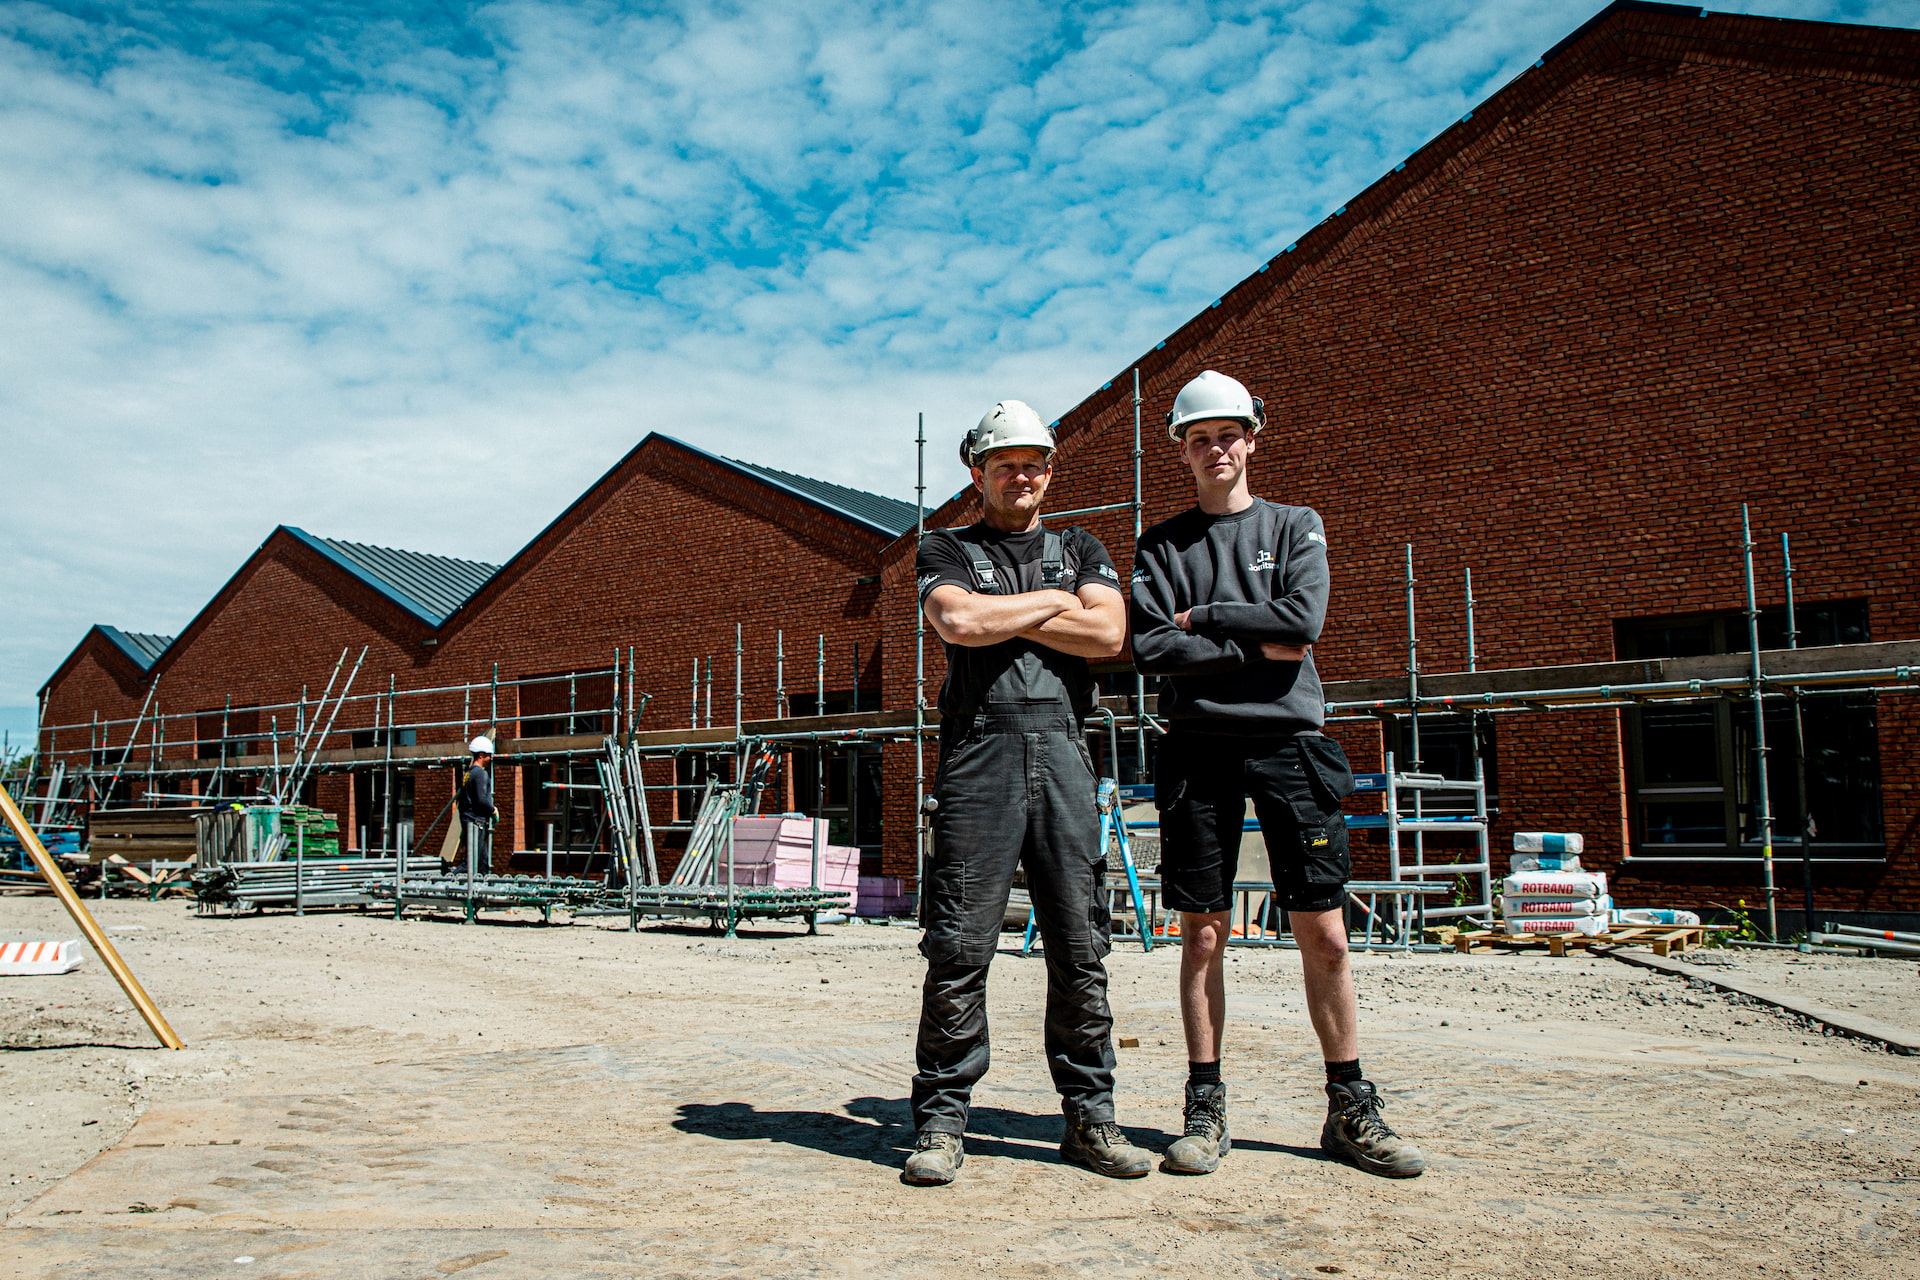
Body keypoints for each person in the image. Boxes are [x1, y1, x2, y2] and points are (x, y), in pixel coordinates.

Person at [1130, 370, 1425, 1179]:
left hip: (1291, 743)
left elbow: (1303, 624)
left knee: (1324, 933)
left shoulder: (1296, 525)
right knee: (1202, 933)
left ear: (1251, 440)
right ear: (1181, 451)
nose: (1215, 449)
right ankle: (1205, 1107)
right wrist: (1256, 645)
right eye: (1200, 439)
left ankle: (1350, 1107)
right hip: (1196, 748)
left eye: (1227, 435)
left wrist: (1207, 620)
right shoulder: (1161, 546)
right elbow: (1150, 648)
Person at [903, 400, 1148, 1187]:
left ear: (1049, 471)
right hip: (980, 754)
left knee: (1080, 946)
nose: (1022, 476)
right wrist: (1055, 603)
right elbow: (958, 624)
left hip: (1066, 752)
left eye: (1034, 464)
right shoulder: (945, 546)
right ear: (976, 471)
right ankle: (941, 1122)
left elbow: (1108, 636)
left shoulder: (1081, 545)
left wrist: (1004, 616)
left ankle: (1091, 1118)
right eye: (1005, 464)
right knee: (958, 946)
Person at [457, 736, 497, 882]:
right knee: (477, 862)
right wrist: (492, 810)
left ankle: (475, 889)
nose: (490, 759)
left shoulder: (468, 773)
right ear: (480, 755)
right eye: (488, 755)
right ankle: (446, 884)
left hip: (468, 820)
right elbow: (481, 800)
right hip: (476, 823)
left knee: (476, 861)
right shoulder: (480, 774)